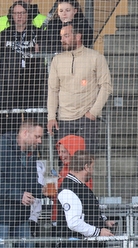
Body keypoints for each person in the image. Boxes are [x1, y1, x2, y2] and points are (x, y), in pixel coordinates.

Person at [47, 18, 112, 153]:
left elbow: (106, 86)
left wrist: (93, 113)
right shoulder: (57, 60)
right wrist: (51, 117)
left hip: (86, 118)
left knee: (86, 160)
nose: (62, 40)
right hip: (63, 119)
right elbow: (53, 90)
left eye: (66, 36)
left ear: (78, 36)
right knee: (65, 161)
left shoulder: (96, 57)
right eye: (61, 36)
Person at [57, 150, 114, 248]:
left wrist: (103, 221)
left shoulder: (79, 187)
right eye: (92, 167)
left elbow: (85, 212)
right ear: (86, 167)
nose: (93, 171)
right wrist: (99, 231)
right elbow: (74, 223)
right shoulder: (69, 189)